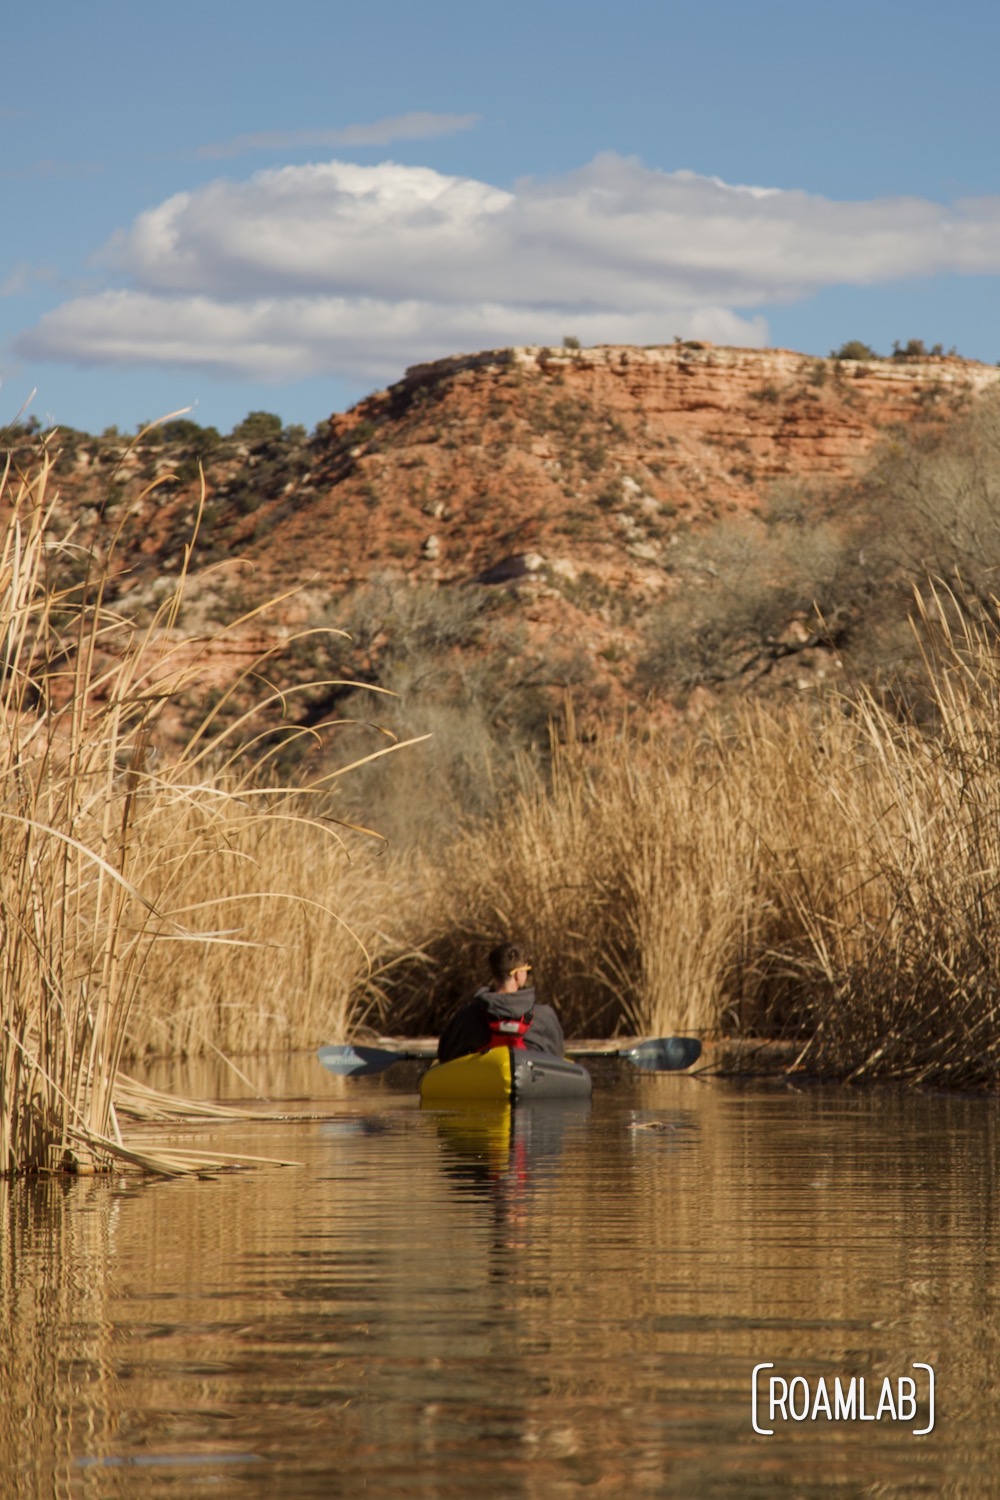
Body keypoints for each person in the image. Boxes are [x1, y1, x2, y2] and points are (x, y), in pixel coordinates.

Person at [436, 941, 565, 1064]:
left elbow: (445, 1055)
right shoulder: (545, 1016)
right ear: (518, 975)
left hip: (483, 1084)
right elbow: (557, 1056)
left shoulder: (468, 1016)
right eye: (527, 970)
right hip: (529, 1085)